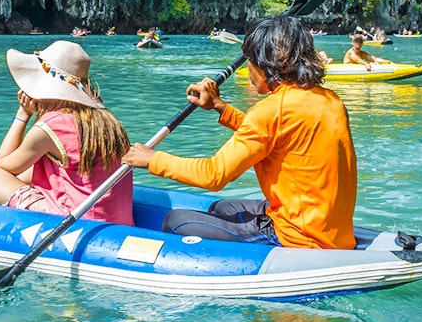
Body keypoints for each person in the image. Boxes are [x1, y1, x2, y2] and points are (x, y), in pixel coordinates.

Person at [123, 16, 357, 249]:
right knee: (221, 209)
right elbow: (273, 134)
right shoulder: (330, 99)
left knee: (175, 222)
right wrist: (219, 106)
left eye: (250, 62)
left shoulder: (271, 110)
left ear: (266, 65)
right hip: (330, 226)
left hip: (301, 237)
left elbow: (214, 175)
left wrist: (152, 159)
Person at [0, 40, 134, 225]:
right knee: (32, 170)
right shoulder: (107, 121)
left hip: (73, 220)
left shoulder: (53, 123)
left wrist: (23, 114)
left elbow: (4, 164)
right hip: (116, 221)